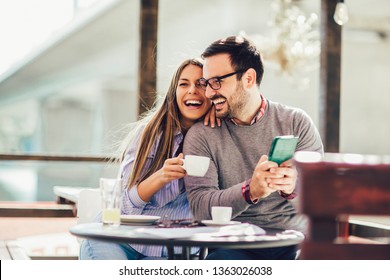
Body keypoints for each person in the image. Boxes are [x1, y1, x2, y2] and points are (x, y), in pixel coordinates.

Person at [183, 36, 324, 260]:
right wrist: (250, 191)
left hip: (296, 244)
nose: (209, 93)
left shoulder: (296, 122)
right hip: (232, 247)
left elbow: (321, 197)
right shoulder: (202, 135)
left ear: (248, 78)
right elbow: (200, 206)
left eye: (217, 82)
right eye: (206, 83)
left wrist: (292, 186)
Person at [80, 58, 213, 260]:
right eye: (184, 84)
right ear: (173, 93)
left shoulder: (218, 138)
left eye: (201, 83)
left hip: (170, 250)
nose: (192, 90)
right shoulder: (149, 134)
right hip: (119, 239)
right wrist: (161, 177)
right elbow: (123, 206)